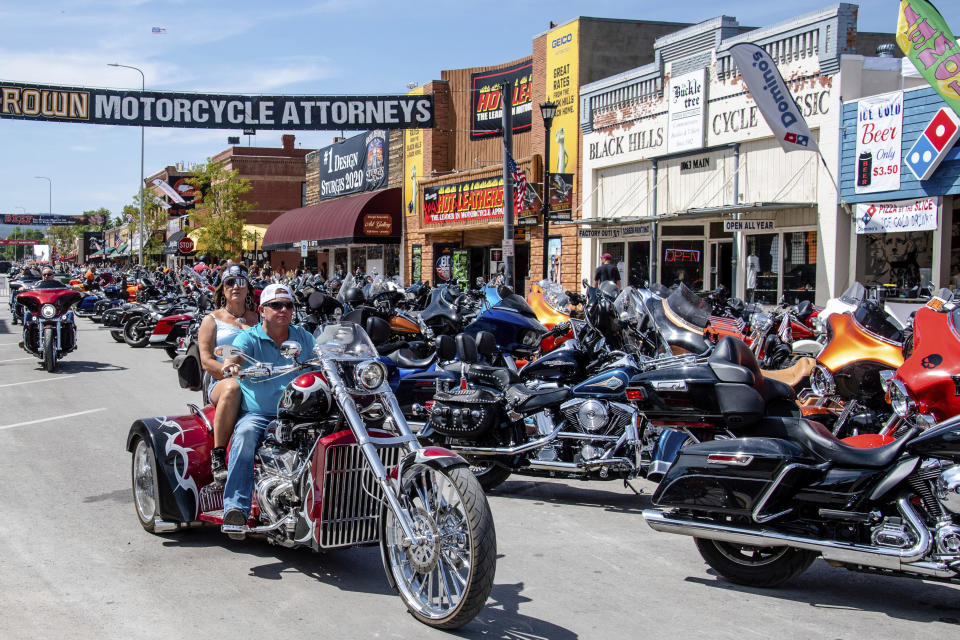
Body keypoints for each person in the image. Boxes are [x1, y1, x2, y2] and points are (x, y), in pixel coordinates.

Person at [220, 283, 316, 538]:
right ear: (262, 310)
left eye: (288, 305)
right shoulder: (249, 338)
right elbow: (234, 358)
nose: (283, 310)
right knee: (245, 434)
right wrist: (232, 367)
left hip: (300, 411)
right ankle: (236, 509)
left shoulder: (303, 336)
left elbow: (323, 355)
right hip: (261, 414)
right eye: (276, 305)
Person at [197, 265, 259, 485]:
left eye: (240, 282)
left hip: (257, 379)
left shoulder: (258, 319)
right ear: (222, 290)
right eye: (229, 282)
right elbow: (205, 360)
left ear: (248, 289)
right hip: (221, 382)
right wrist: (225, 369)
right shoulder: (211, 320)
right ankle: (218, 456)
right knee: (233, 387)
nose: (235, 287)